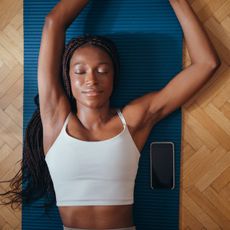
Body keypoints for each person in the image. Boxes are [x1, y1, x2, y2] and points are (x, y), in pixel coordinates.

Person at [0, 0, 220, 229]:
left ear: (114, 77)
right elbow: (53, 22)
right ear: (68, 79)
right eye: (80, 71)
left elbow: (207, 64)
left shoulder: (133, 121)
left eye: (102, 70)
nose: (91, 80)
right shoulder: (55, 119)